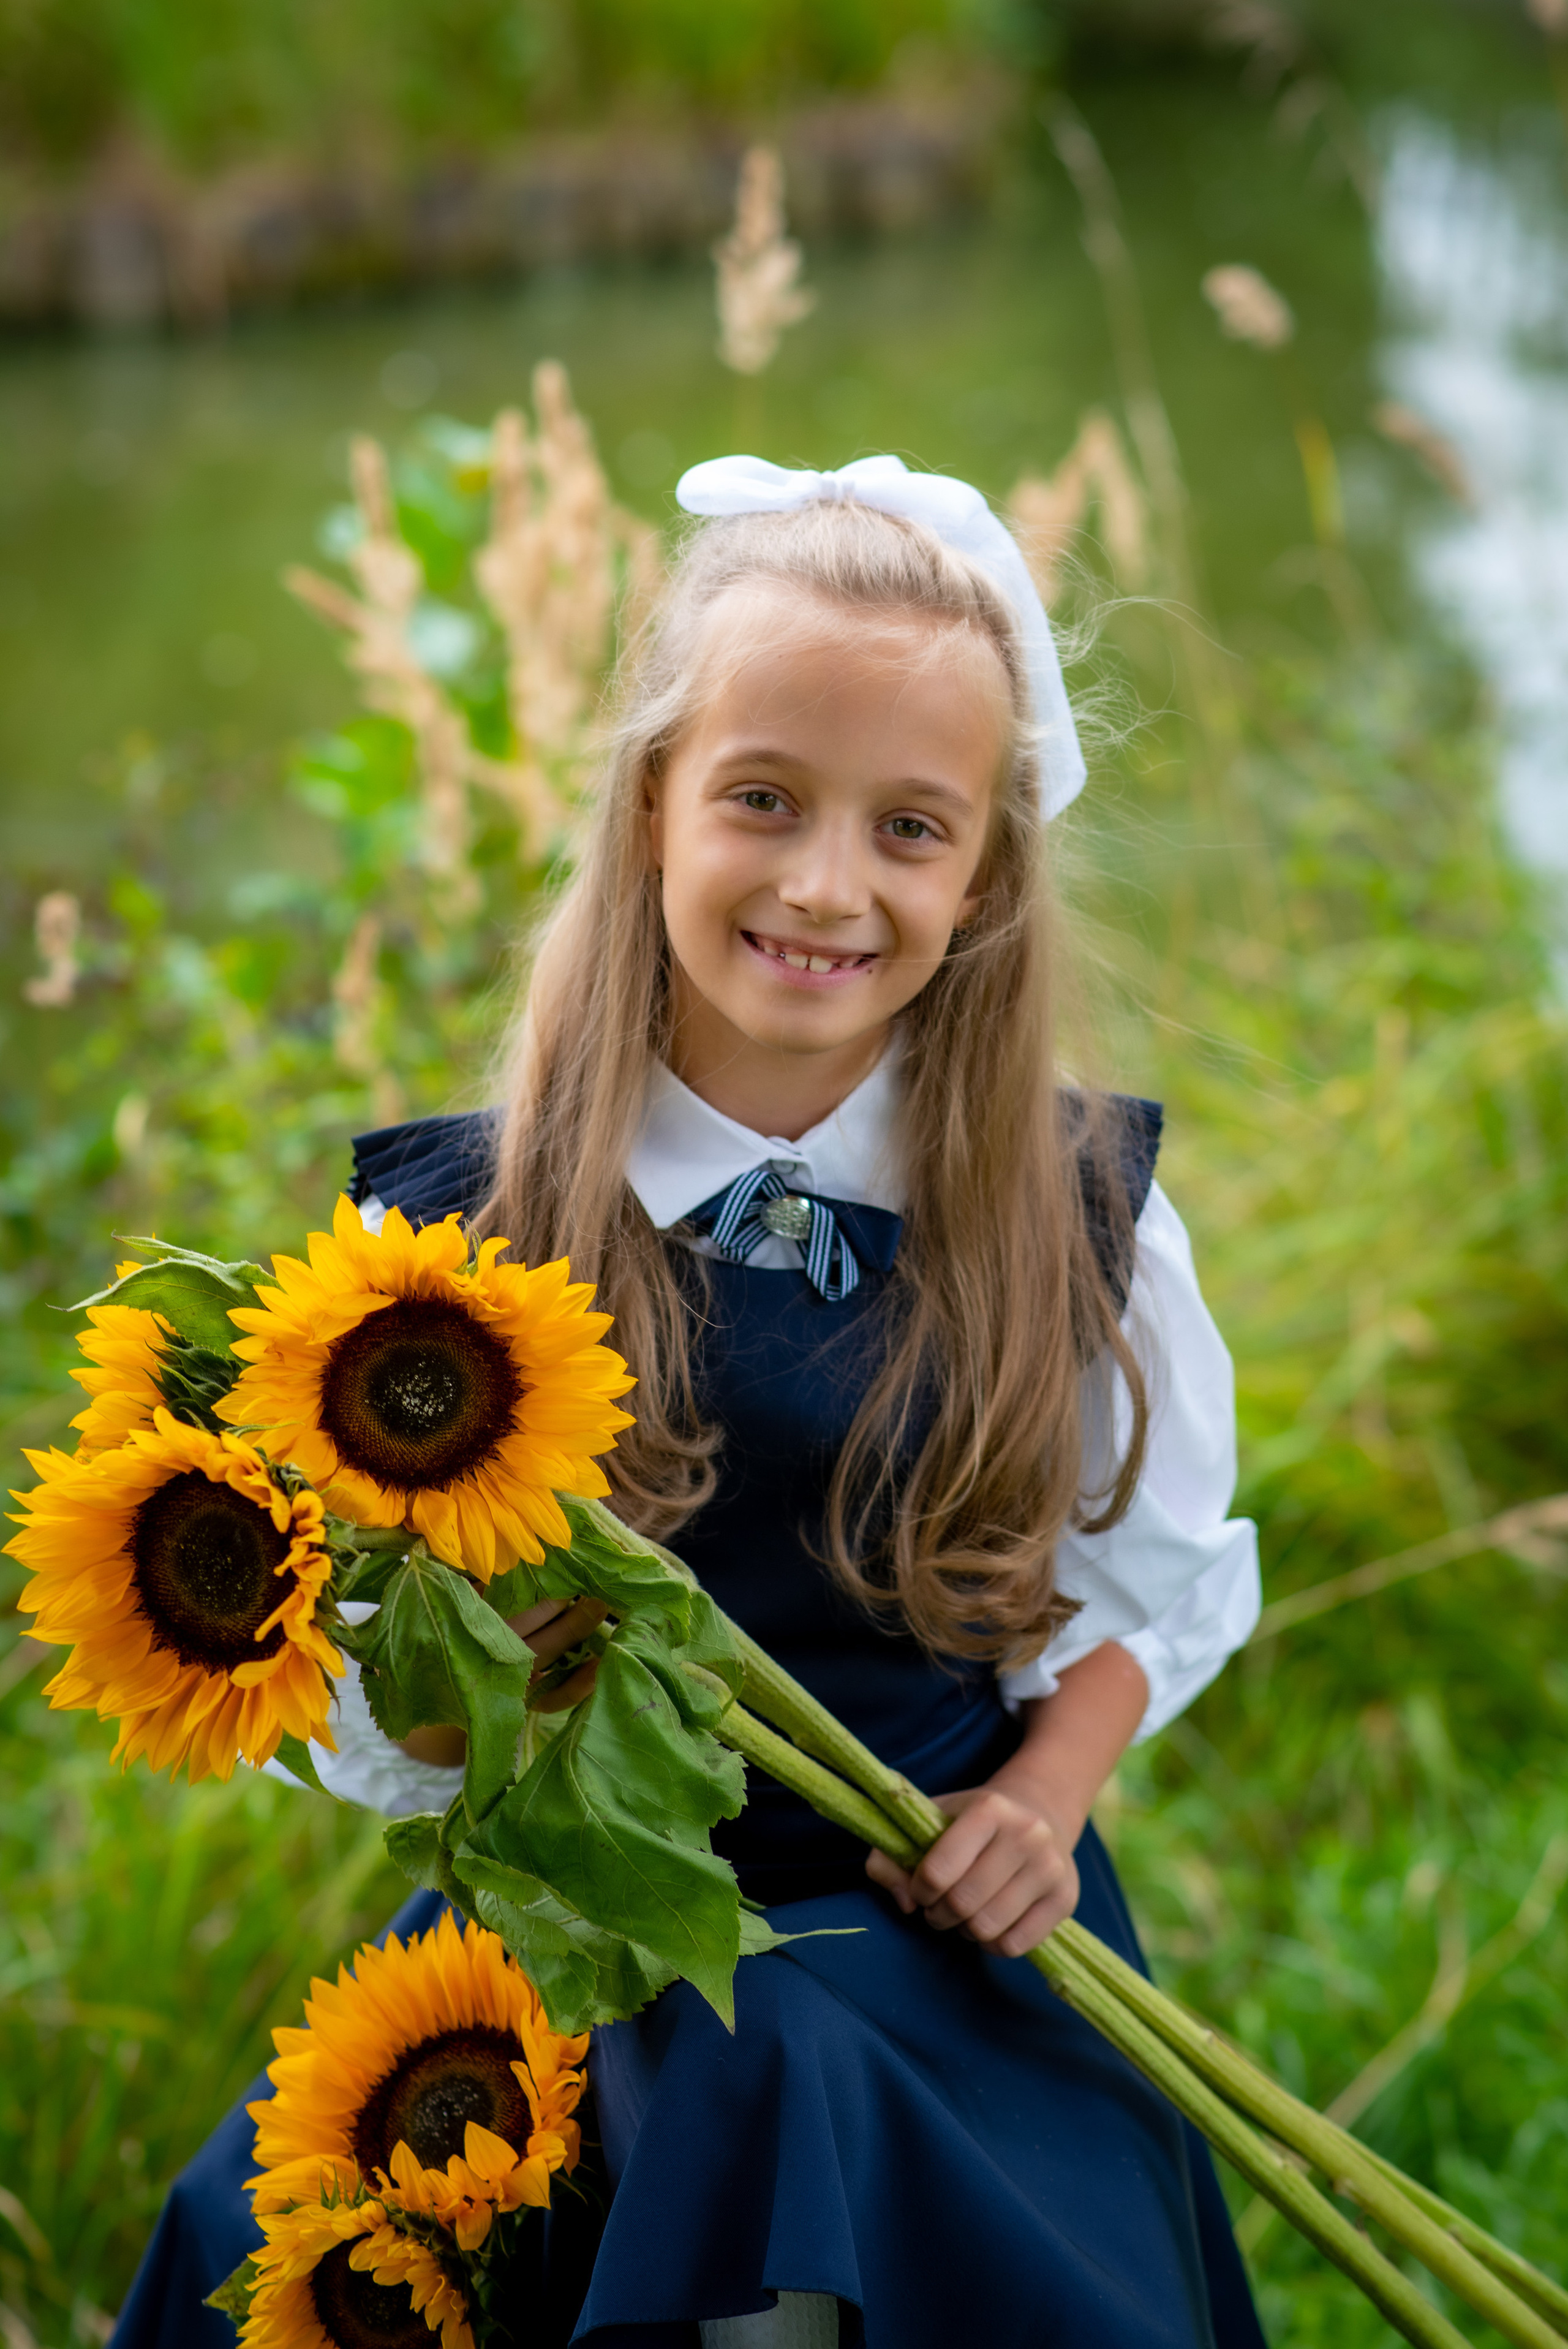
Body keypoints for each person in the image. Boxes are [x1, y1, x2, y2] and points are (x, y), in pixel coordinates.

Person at [113, 457, 1265, 2349]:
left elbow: (1143, 1586)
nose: (827, 883)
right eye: (762, 799)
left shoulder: (1067, 1222)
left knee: (836, 2095)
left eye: (911, 827)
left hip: (941, 1932)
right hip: (583, 1951)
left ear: (982, 875)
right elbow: (380, 1708)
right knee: (299, 2255)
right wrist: (491, 1669)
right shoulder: (454, 1255)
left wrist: (1046, 1803)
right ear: (653, 803)